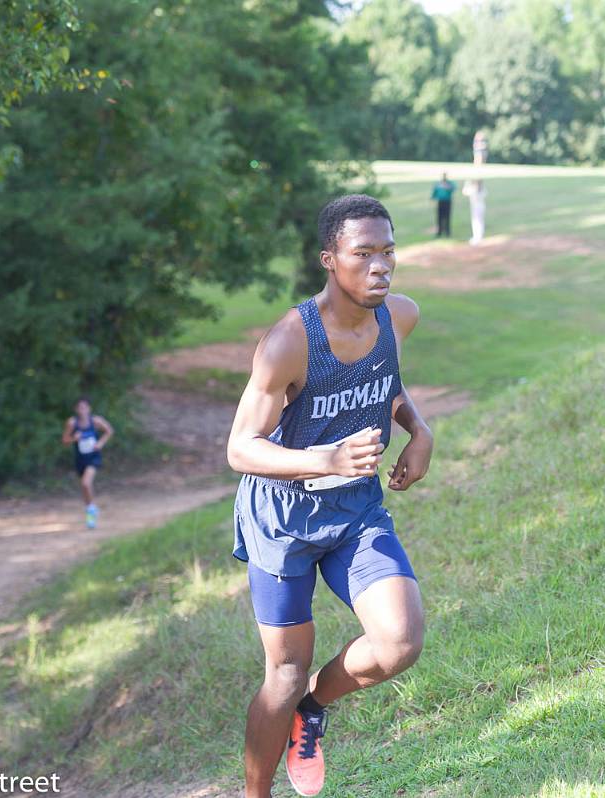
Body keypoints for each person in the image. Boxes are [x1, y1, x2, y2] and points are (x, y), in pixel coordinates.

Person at [227, 194, 432, 798]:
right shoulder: (288, 341)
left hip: (356, 512)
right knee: (283, 675)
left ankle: (312, 710)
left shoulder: (399, 316)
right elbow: (241, 447)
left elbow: (384, 381)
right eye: (363, 253)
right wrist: (324, 459)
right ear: (329, 259)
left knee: (399, 643)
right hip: (283, 523)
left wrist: (418, 429)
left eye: (388, 251)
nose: (381, 266)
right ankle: (256, 793)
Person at [60, 397, 114, 529]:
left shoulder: (95, 421)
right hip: (80, 459)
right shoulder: (72, 423)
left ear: (89, 409)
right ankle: (91, 508)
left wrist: (100, 443)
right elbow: (64, 440)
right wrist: (74, 438)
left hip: (93, 457)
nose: (82, 410)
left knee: (86, 483)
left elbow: (109, 431)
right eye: (80, 407)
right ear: (76, 409)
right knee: (85, 487)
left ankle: (91, 511)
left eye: (85, 407)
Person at [463, 179, 486, 244]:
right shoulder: (482, 189)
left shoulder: (473, 190)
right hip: (481, 206)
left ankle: (477, 237)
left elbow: (464, 192)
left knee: (476, 222)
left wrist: (466, 183)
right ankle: (479, 236)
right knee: (480, 221)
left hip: (476, 207)